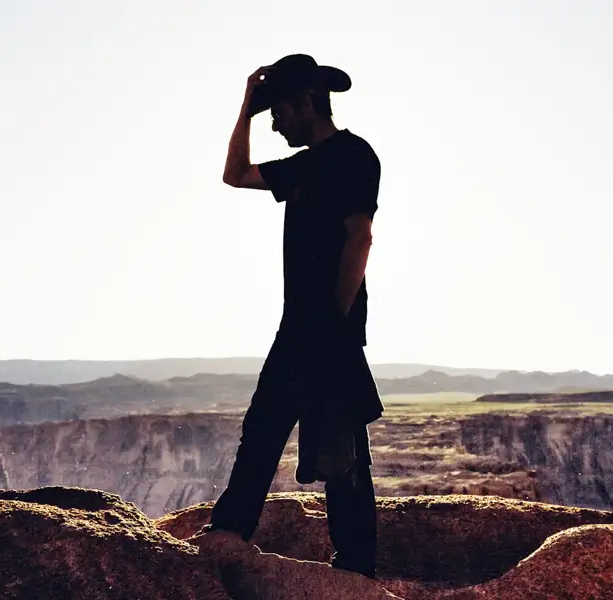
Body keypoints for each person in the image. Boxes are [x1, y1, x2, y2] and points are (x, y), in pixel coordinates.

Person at [189, 54, 384, 579]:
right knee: (270, 434)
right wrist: (246, 110)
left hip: (326, 330)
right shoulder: (302, 167)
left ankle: (352, 569)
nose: (274, 124)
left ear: (306, 104)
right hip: (301, 328)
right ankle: (228, 542)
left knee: (336, 450)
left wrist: (335, 322)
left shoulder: (354, 156)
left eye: (279, 112)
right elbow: (233, 174)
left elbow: (359, 237)